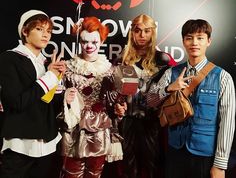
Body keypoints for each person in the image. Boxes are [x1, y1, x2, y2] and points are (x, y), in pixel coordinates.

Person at [148, 19, 236, 178]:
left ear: (208, 41)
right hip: (175, 153)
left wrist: (220, 165)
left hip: (206, 157)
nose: (194, 42)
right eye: (189, 38)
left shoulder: (223, 77)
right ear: (183, 41)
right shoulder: (171, 73)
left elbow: (227, 124)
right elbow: (150, 101)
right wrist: (169, 88)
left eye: (200, 38)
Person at [0, 9, 66, 178]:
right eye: (39, 29)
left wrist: (63, 94)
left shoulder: (47, 63)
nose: (46, 35)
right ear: (25, 31)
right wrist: (49, 77)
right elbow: (16, 103)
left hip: (48, 143)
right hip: (20, 143)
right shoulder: (9, 58)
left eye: (49, 31)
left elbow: (48, 105)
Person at [60, 16, 126, 178]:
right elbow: (53, 99)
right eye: (84, 41)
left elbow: (117, 101)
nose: (89, 46)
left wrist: (119, 108)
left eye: (94, 42)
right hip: (73, 130)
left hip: (100, 130)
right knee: (71, 174)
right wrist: (65, 99)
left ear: (101, 42)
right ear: (79, 42)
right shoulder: (67, 68)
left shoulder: (110, 70)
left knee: (95, 174)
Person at [118, 14, 176, 178]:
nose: (142, 35)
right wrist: (118, 105)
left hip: (152, 121)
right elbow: (117, 92)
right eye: (138, 31)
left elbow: (174, 89)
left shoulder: (162, 59)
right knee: (128, 166)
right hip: (128, 120)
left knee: (151, 167)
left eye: (147, 31)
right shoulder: (124, 59)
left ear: (153, 33)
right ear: (132, 33)